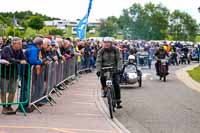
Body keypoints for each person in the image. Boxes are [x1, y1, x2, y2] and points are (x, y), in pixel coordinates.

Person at [0, 37, 27, 114]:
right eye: (20, 44)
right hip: (5, 73)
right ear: (14, 44)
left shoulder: (19, 50)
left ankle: (9, 106)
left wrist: (22, 60)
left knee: (13, 91)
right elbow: (8, 58)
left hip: (14, 73)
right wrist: (19, 61)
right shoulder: (6, 49)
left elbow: (24, 58)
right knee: (3, 91)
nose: (21, 45)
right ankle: (4, 107)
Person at [96, 37, 123, 109]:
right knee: (102, 78)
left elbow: (119, 59)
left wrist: (119, 68)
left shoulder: (116, 50)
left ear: (111, 43)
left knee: (116, 83)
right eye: (105, 42)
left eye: (108, 42)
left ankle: (118, 100)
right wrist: (98, 70)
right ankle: (105, 90)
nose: (106, 44)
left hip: (114, 69)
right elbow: (98, 61)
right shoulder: (101, 51)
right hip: (104, 69)